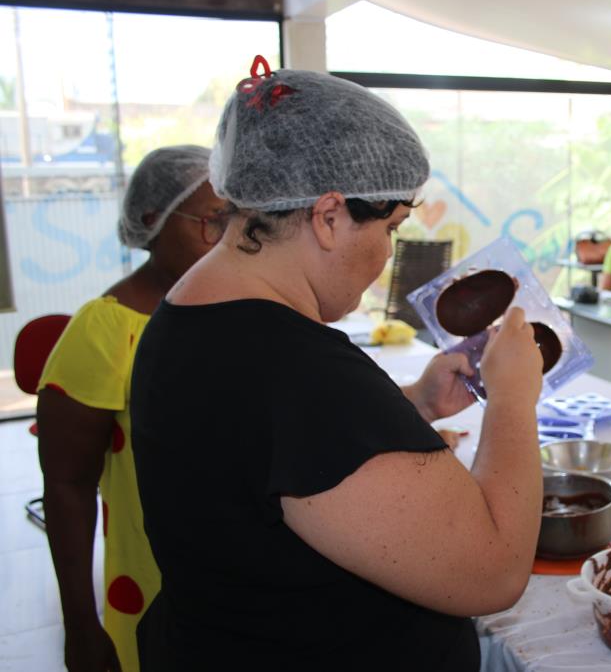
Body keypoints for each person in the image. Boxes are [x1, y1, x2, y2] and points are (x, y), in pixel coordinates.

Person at [130, 59, 544, 670]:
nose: (388, 253)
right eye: (392, 228)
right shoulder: (301, 369)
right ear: (328, 217)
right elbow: (495, 571)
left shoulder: (188, 313)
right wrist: (513, 401)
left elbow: (273, 457)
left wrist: (416, 404)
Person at [36, 145, 225, 672]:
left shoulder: (236, 312)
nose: (231, 238)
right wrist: (81, 627)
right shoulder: (106, 331)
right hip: (157, 584)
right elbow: (68, 487)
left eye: (243, 219)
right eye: (214, 220)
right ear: (152, 220)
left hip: (246, 583)